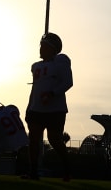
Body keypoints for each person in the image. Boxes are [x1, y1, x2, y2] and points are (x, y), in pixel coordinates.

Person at [22, 32, 73, 181]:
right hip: (36, 108)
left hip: (55, 109)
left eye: (44, 46)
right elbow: (35, 89)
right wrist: (29, 106)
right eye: (41, 45)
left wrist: (52, 93)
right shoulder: (36, 66)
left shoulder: (61, 62)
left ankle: (67, 170)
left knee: (55, 139)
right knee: (33, 140)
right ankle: (33, 172)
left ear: (53, 48)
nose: (41, 48)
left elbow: (67, 82)